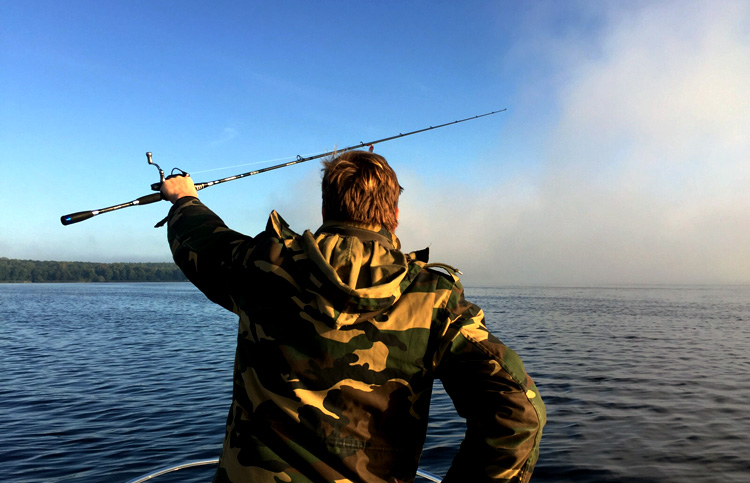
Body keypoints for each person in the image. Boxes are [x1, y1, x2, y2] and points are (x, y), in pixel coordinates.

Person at [160, 150, 546, 483]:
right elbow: (519, 411)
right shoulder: (433, 299)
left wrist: (183, 198)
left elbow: (202, 239)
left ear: (326, 209)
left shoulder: (265, 266)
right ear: (395, 214)